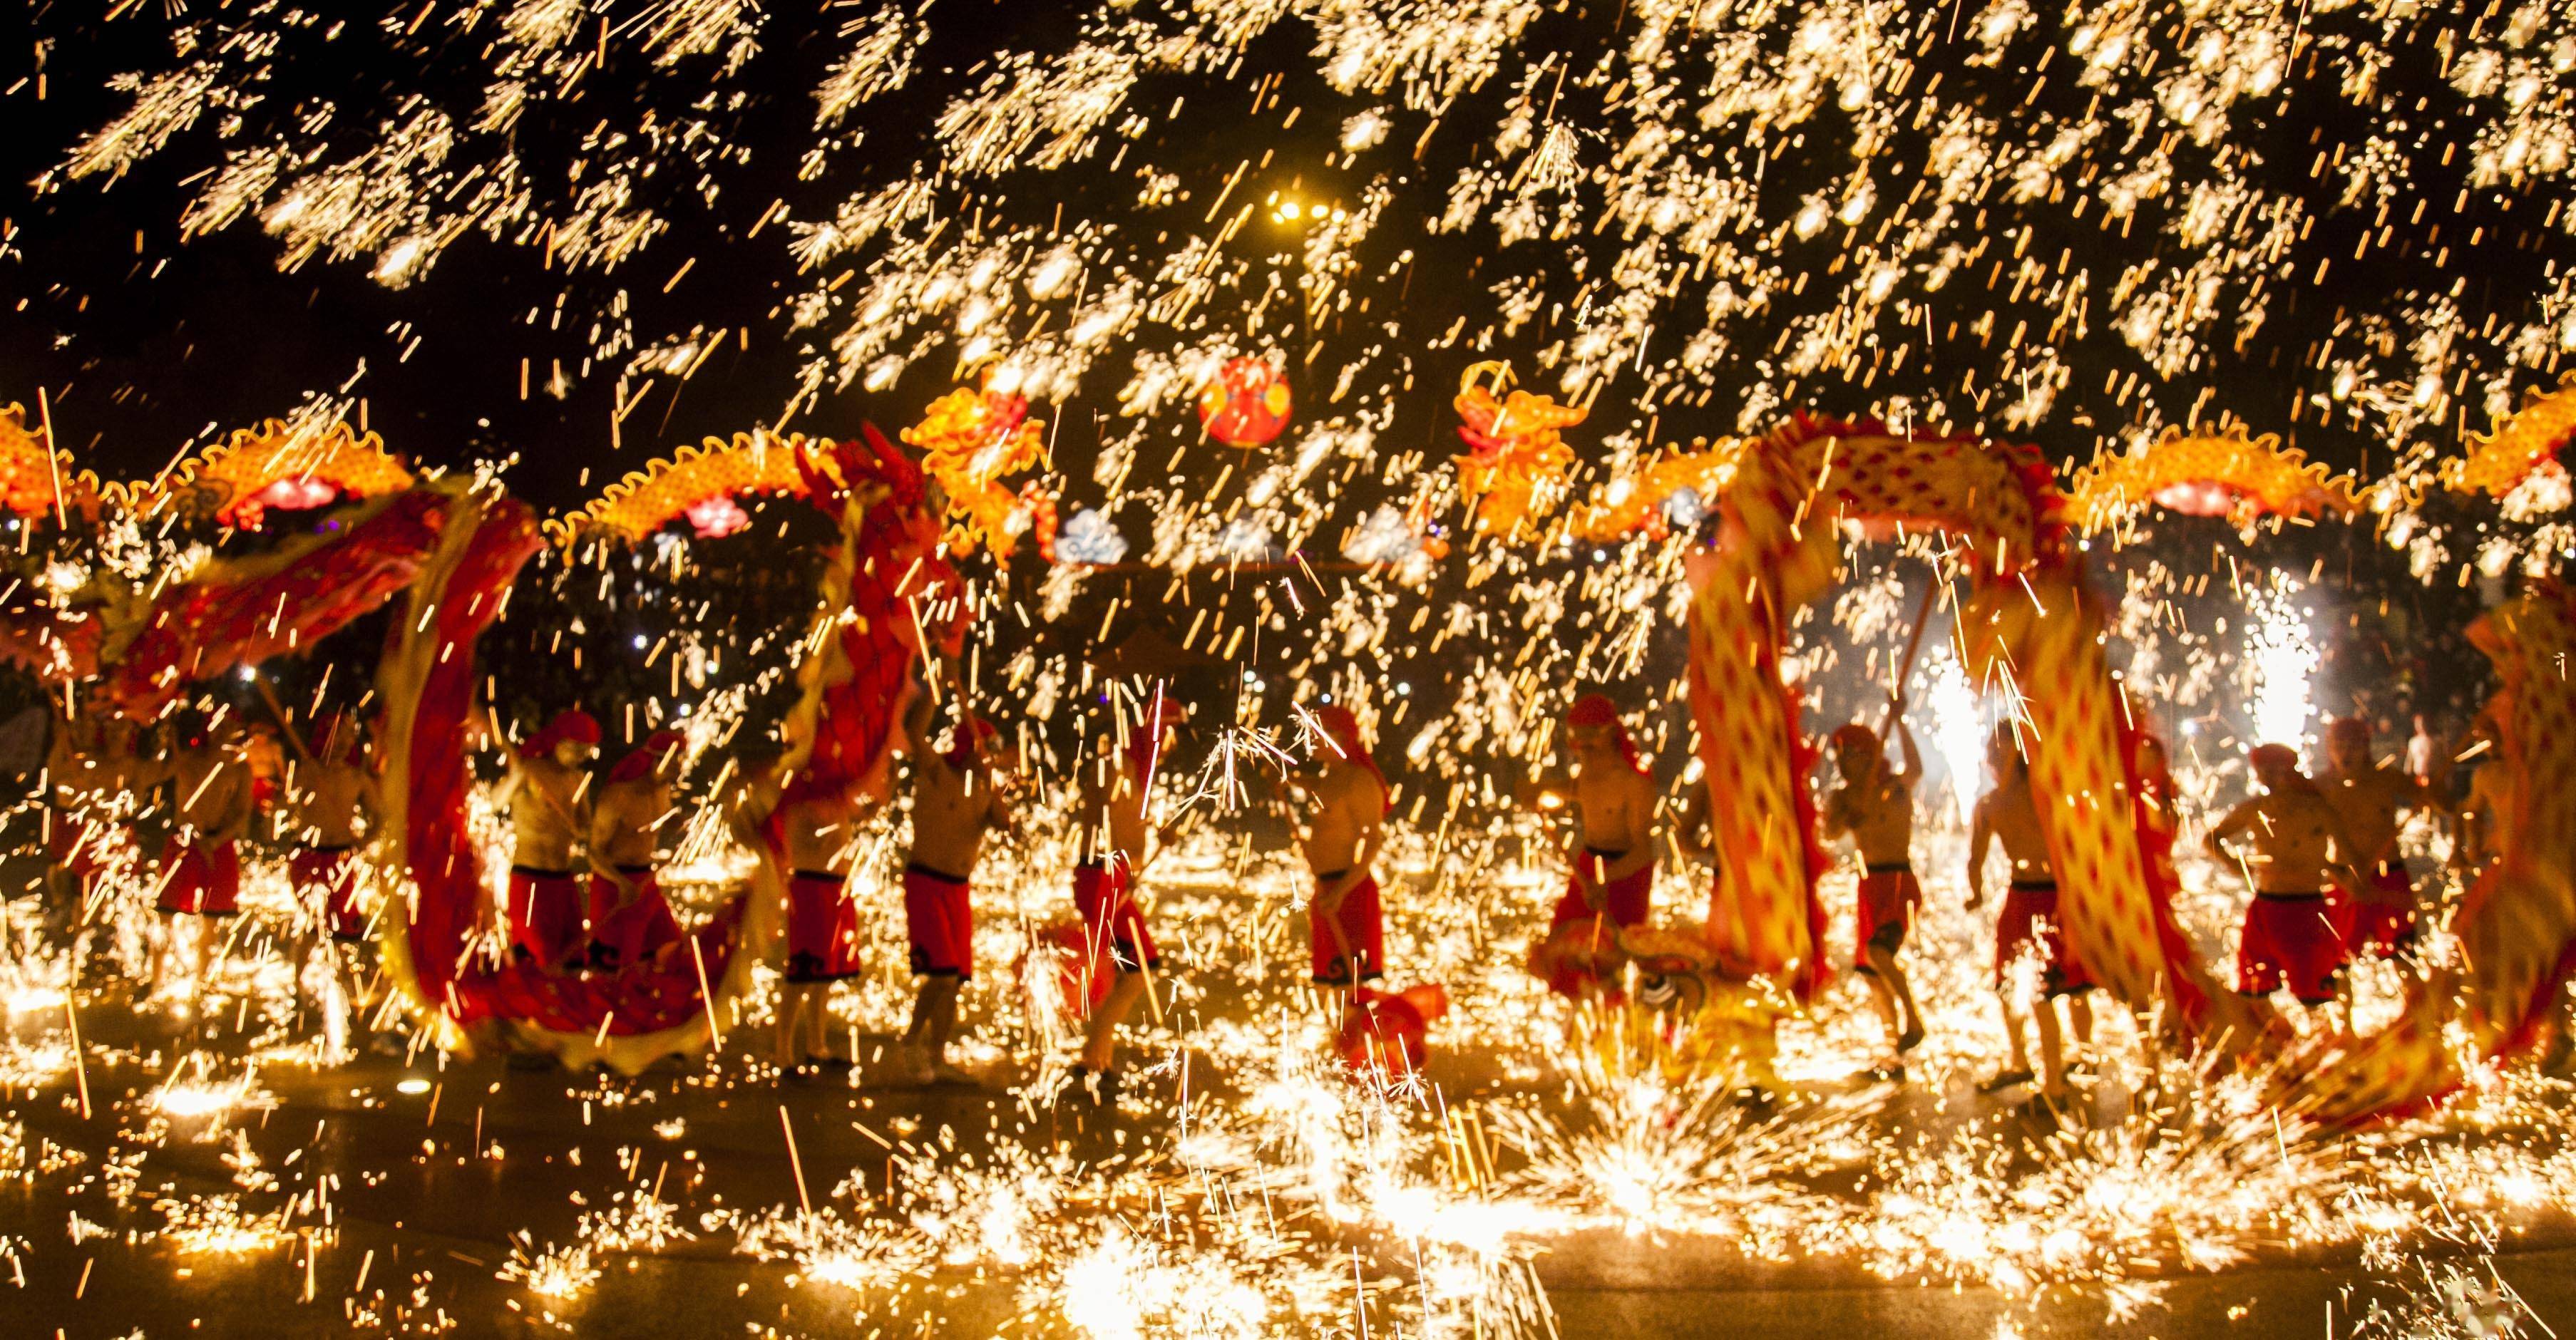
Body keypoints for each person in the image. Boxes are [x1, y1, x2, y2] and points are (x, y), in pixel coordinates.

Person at [896, 683, 1017, 1085]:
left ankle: (937, 1054)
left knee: (954, 983)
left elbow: (1005, 826)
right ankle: (911, 1042)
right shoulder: (939, 773)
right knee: (943, 974)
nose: (992, 757)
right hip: (927, 882)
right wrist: (936, 685)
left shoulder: (984, 790)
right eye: (987, 749)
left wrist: (998, 797)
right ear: (970, 747)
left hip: (958, 888)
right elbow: (915, 735)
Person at [1966, 725, 2095, 1101]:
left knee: (2052, 992)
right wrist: (1975, 893)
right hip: (2019, 898)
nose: (2002, 760)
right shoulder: (1990, 805)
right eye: (1997, 752)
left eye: (2009, 752)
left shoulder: (2049, 798)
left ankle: (2058, 1080)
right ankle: (2019, 1062)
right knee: (2009, 988)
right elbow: (1975, 859)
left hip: (2054, 899)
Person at [1068, 699, 1176, 1098]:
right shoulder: (1117, 767)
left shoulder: (1137, 771)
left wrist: (1159, 830)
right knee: (1136, 972)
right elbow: (1109, 817)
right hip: (1103, 880)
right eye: (1168, 733)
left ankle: (1096, 1059)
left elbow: (1134, 816)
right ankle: (1091, 1060)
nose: (1171, 745)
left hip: (1114, 880)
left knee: (1134, 971)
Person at [2207, 743, 2364, 1016]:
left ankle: (2344, 1035)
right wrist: (2233, 862)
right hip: (2266, 911)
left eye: (2271, 769)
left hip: (2306, 911)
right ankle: (2275, 1039)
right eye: (2262, 770)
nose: (2266, 776)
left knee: (2320, 991)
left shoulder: (2318, 809)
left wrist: (2349, 879)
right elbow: (2212, 838)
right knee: (2255, 987)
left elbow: (2350, 857)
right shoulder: (2257, 808)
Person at [1820, 703, 1927, 1078]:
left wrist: (1899, 721)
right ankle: (1890, 1053)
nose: (1841, 765)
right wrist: (1845, 819)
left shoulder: (1895, 786)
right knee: (1871, 974)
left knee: (1880, 952)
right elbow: (1828, 834)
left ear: (1866, 756)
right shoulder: (1844, 797)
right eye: (1838, 757)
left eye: (1847, 756)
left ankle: (1914, 1021)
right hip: (1869, 888)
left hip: (1898, 881)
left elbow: (1917, 768)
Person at [1528, 694, 1657, 999]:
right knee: (1565, 949)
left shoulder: (1635, 785)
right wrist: (1539, 790)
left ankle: (1613, 1021)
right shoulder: (1588, 772)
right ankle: (1579, 1018)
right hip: (1588, 865)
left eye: (1590, 740)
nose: (1582, 750)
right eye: (1577, 741)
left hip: (1625, 876)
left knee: (1612, 957)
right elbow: (1578, 791)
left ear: (1611, 735)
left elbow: (1643, 851)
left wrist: (1605, 881)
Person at [2318, 716, 2445, 960]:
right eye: (2339, 746)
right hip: (2345, 878)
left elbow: (2444, 804)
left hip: (2390, 879)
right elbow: (2307, 845)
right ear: (2329, 748)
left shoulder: (2386, 779)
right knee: (2338, 964)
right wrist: (2342, 878)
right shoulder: (2321, 788)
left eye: (2353, 746)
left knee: (2402, 957)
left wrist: (2434, 791)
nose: (2346, 753)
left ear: (2365, 747)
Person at [1294, 706, 1390, 1015]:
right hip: (1326, 890)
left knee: (1354, 989)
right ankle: (1342, 1051)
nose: (1310, 740)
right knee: (1333, 987)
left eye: (1317, 734)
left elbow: (1373, 841)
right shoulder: (1329, 777)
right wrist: (1287, 780)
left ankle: (1360, 1048)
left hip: (1349, 893)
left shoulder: (1359, 781)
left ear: (1339, 738)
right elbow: (1319, 790)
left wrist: (1342, 891)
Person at [152, 715, 255, 998]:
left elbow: (242, 812)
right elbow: (155, 774)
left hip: (218, 843)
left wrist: (217, 840)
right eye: (217, 726)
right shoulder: (186, 761)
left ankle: (201, 980)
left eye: (228, 726)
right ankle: (155, 982)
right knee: (166, 915)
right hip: (183, 841)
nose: (222, 731)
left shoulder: (240, 769)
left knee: (212, 919)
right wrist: (164, 742)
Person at [494, 710, 599, 973]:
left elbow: (586, 826)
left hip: (563, 880)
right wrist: (514, 776)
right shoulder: (530, 770)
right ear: (560, 743)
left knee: (574, 958)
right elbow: (495, 802)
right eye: (577, 750)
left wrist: (584, 832)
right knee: (541, 964)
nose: (581, 757)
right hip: (531, 880)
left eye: (586, 752)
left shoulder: (578, 779)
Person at [774, 778, 866, 1075]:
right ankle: (783, 1054)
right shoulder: (800, 801)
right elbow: (812, 836)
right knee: (803, 973)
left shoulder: (837, 797)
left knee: (826, 974)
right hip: (811, 888)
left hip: (837, 888)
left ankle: (817, 1046)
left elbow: (864, 813)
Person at [586, 731, 689, 972]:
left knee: (670, 948)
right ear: (653, 761)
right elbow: (594, 853)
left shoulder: (663, 789)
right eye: (672, 761)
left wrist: (686, 824)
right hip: (614, 885)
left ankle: (649, 1003)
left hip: (646, 882)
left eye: (680, 760)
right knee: (619, 966)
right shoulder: (619, 796)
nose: (678, 767)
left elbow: (661, 819)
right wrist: (621, 883)